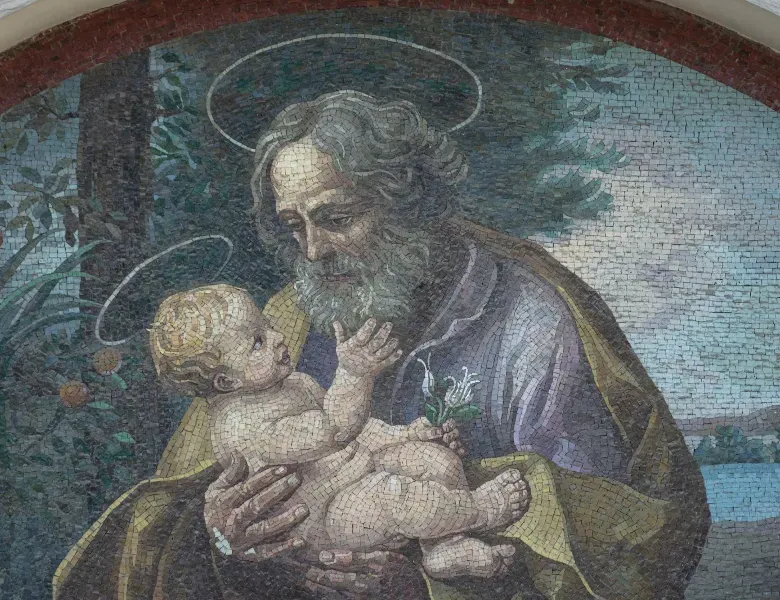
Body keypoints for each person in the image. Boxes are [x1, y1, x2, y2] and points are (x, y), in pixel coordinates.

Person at [53, 91, 710, 600]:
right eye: (294, 226)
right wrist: (227, 539)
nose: (313, 251)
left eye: (335, 218)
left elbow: (597, 548)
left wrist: (420, 585)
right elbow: (186, 509)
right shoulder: (287, 321)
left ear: (407, 202)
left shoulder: (531, 329)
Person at [148, 285, 531, 581]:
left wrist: (404, 435)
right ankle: (480, 511)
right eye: (257, 342)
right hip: (331, 522)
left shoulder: (293, 384)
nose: (278, 337)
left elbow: (360, 431)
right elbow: (334, 429)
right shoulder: (241, 426)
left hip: (359, 474)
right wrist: (353, 374)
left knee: (434, 460)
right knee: (391, 495)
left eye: (268, 324)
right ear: (226, 381)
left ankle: (444, 546)